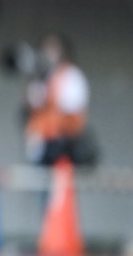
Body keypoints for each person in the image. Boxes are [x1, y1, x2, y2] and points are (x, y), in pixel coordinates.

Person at [23, 34, 93, 167]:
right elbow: (33, 103)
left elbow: (72, 108)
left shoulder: (71, 75)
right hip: (41, 144)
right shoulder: (42, 76)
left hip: (64, 145)